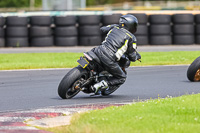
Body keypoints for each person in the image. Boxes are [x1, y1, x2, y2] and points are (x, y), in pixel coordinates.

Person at [91, 14, 141, 94]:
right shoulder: (131, 38)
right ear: (131, 25)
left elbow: (102, 29)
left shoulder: (115, 27)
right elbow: (132, 55)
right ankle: (102, 84)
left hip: (97, 50)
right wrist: (136, 57)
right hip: (109, 58)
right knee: (122, 77)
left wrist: (114, 27)